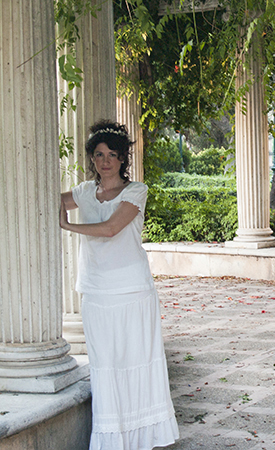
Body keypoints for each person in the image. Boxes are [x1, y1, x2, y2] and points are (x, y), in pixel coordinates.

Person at [60, 120, 179, 450]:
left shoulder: (135, 191)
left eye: (112, 154)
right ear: (92, 159)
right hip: (96, 293)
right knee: (106, 366)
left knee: (136, 363)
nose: (105, 160)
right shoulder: (84, 192)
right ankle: (113, 441)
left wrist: (67, 226)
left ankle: (145, 438)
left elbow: (112, 228)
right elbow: (48, 200)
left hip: (132, 292)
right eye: (99, 154)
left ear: (123, 158)